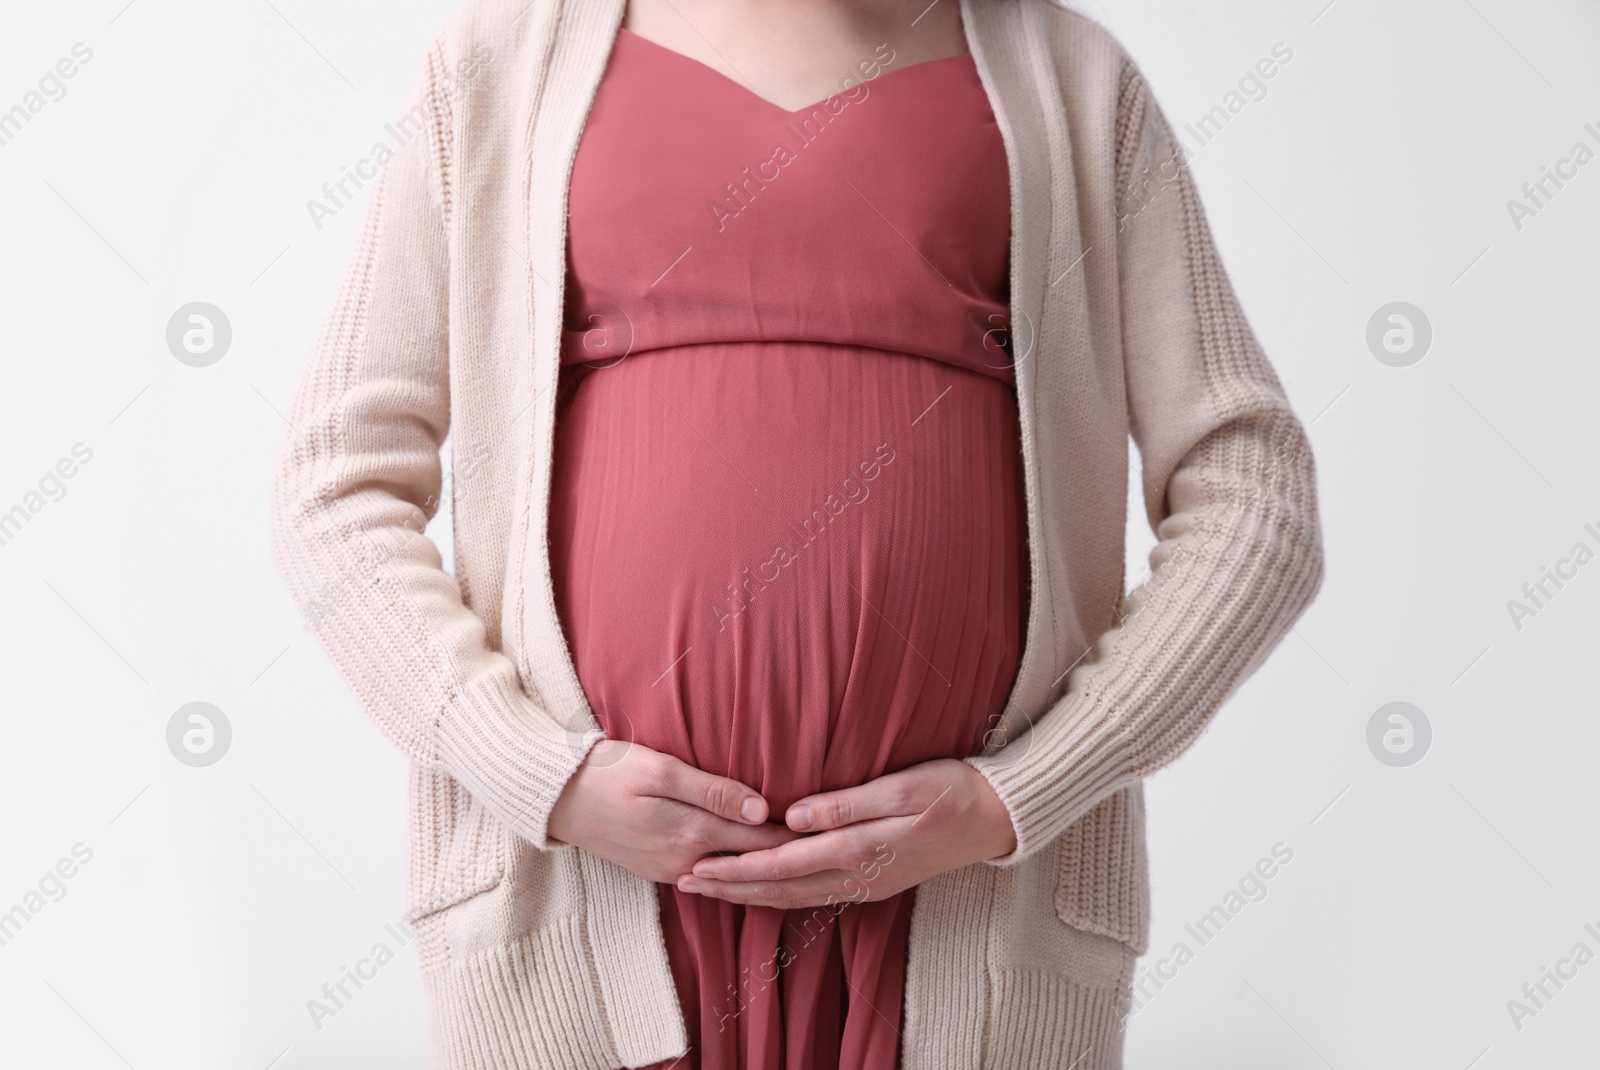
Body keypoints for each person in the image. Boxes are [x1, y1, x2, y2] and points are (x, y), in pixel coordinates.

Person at [269, 1, 1325, 1067]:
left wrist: (1015, 799)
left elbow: (1256, 499)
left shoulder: (1074, 83)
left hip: (957, 915)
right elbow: (335, 485)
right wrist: (543, 778)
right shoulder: (497, 69)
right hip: (594, 894)